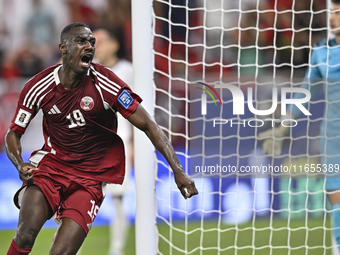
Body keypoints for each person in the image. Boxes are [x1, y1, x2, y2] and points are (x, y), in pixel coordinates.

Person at [5, 22, 198, 255]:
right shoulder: (37, 87)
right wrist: (19, 163)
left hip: (90, 176)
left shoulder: (107, 83)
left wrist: (178, 170)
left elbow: (149, 124)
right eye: (81, 41)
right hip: (52, 166)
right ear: (63, 48)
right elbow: (13, 133)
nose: (89, 46)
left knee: (62, 253)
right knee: (25, 233)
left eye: (92, 42)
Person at [259, 0, 340, 251]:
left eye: (338, 12)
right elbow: (305, 93)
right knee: (337, 201)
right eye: (331, 12)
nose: (332, 17)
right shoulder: (321, 53)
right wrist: (282, 127)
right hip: (334, 137)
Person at [92, 28, 133, 255]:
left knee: (118, 200)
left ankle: (116, 251)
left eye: (100, 41)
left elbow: (140, 109)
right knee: (76, 198)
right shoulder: (88, 71)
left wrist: (137, 144)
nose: (96, 46)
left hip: (120, 144)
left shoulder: (129, 70)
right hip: (91, 146)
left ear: (114, 45)